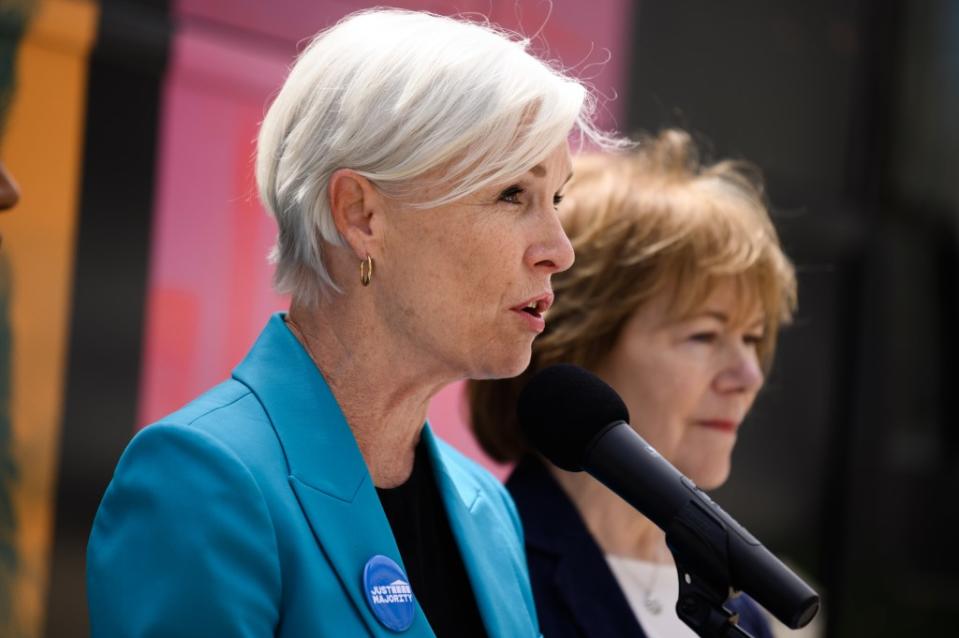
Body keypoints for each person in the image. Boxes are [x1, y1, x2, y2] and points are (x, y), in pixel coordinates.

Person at [86, 9, 620, 637]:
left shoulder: (489, 510)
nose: (560, 250)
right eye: (512, 195)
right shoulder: (200, 480)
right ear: (361, 215)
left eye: (555, 200)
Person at [469, 129, 797, 638]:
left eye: (753, 338)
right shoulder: (485, 572)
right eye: (705, 335)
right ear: (575, 347)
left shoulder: (742, 611)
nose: (748, 377)